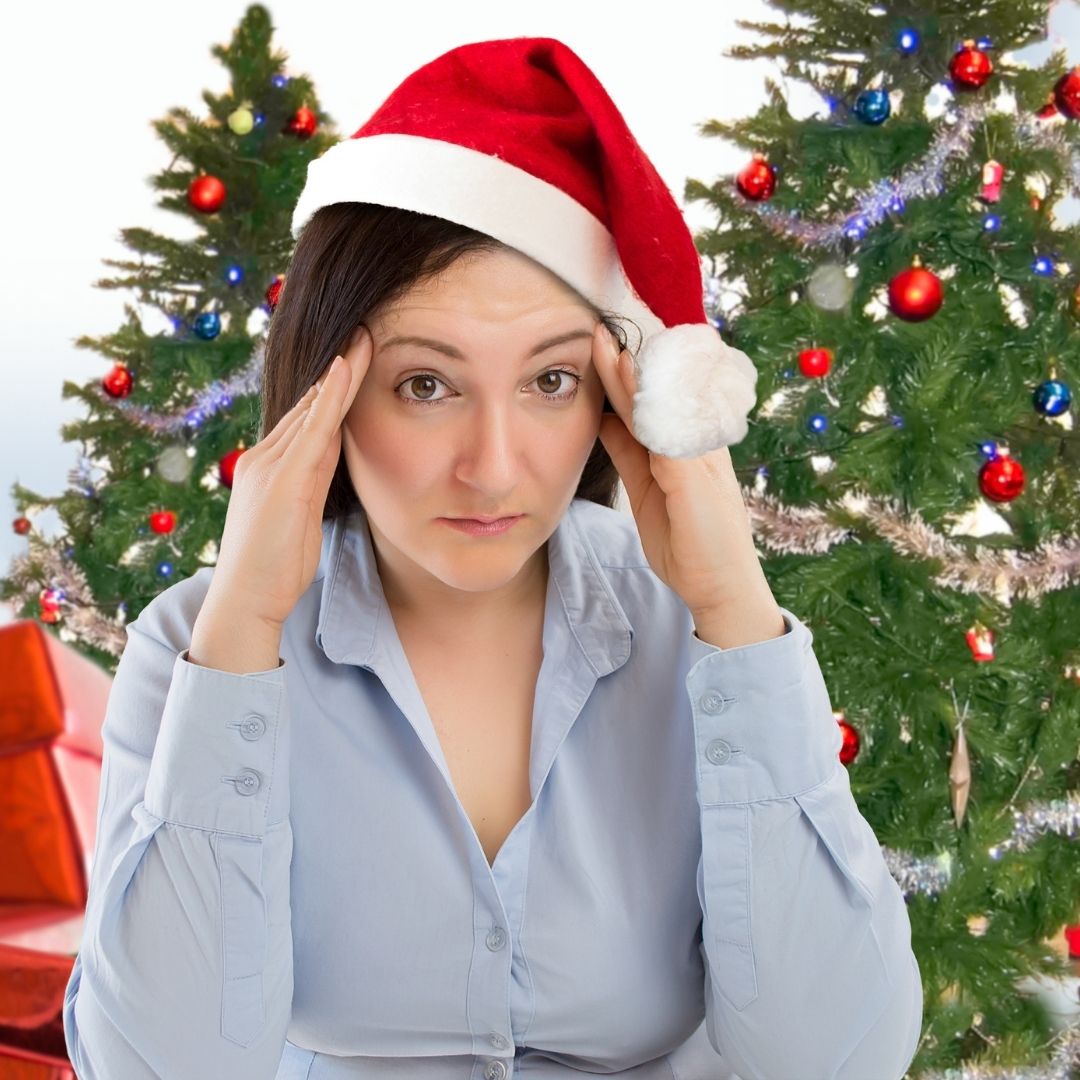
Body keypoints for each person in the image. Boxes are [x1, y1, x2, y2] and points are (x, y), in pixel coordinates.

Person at [62, 35, 923, 1080]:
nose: (494, 468)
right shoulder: (198, 644)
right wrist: (242, 632)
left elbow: (832, 1062)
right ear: (323, 395)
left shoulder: (694, 634)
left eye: (552, 382)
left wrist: (735, 608)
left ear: (622, 396)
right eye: (427, 384)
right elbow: (161, 1068)